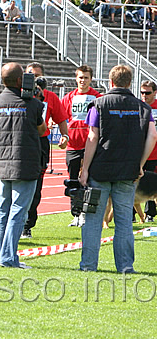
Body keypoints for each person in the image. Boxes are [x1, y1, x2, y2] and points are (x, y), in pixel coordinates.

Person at [79, 65, 157, 273]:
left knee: (93, 220)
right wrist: (140, 165)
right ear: (130, 83)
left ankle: (88, 265)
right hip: (127, 173)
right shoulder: (143, 108)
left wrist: (84, 169)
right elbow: (153, 137)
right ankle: (125, 266)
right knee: (124, 222)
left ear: (110, 82)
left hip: (100, 172)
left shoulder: (99, 104)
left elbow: (92, 137)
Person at [0, 62, 46, 268]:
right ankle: (8, 258)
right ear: (21, 80)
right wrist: (37, 99)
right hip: (26, 163)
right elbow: (42, 130)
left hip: (4, 163)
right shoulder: (33, 104)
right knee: (18, 212)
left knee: (4, 210)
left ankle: (4, 255)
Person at [22, 62, 69, 238]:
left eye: (38, 77)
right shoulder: (18, 94)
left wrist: (65, 136)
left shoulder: (50, 97)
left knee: (36, 185)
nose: (34, 80)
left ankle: (27, 225)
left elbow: (61, 118)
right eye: (30, 75)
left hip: (40, 143)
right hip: (20, 141)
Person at [60, 65, 102, 227]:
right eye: (80, 77)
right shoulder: (68, 97)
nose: (83, 80)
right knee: (73, 181)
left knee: (89, 180)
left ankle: (87, 213)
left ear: (91, 79)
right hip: (73, 144)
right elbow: (60, 116)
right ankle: (76, 214)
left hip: (90, 144)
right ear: (76, 79)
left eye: (86, 77)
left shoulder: (97, 97)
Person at [140, 80, 157, 222]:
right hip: (139, 152)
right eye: (142, 92)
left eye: (148, 93)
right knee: (135, 183)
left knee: (153, 184)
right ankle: (132, 215)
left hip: (155, 152)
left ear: (155, 93)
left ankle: (150, 213)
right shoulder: (137, 107)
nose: (144, 95)